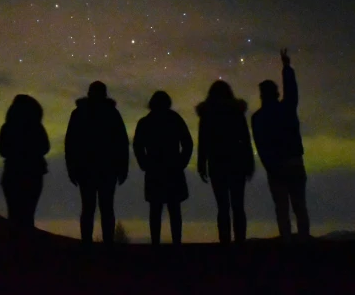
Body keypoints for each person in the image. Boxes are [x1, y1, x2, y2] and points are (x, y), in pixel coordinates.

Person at [252, 48, 310, 241]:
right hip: (293, 161)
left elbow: (260, 145)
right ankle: (303, 240)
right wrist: (286, 68)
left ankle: (286, 240)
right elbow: (292, 91)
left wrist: (270, 165)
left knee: (282, 208)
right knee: (299, 205)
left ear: (261, 95)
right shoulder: (286, 108)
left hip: (275, 166)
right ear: (276, 93)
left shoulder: (258, 118)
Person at [65, 81, 129, 245]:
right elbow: (122, 142)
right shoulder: (111, 113)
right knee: (104, 208)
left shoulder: (79, 113)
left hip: (87, 168)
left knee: (90, 208)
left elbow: (70, 143)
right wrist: (122, 168)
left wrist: (72, 168)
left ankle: (88, 244)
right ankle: (105, 244)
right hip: (105, 168)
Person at [196, 81, 255, 244]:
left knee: (223, 207)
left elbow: (203, 141)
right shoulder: (236, 112)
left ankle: (225, 242)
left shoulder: (207, 114)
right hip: (237, 163)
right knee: (238, 206)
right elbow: (245, 139)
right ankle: (240, 242)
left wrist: (201, 163)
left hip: (217, 164)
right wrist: (249, 162)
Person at [133, 91, 194, 246]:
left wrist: (145, 163)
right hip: (172, 169)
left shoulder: (146, 122)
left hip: (155, 170)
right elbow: (187, 143)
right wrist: (181, 162)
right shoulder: (174, 119)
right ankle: (176, 243)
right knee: (173, 210)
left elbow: (138, 146)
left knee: (156, 209)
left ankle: (156, 244)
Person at [0, 94, 50, 228]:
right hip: (33, 173)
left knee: (15, 215)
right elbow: (45, 147)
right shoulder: (36, 127)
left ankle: (16, 244)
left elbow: (2, 150)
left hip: (12, 172)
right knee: (27, 214)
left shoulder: (8, 127)